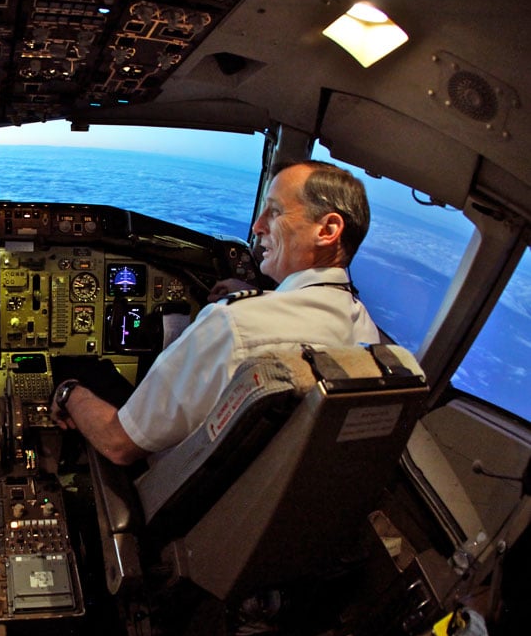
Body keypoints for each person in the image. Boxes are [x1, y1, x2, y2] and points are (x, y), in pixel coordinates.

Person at [50, 160, 379, 465]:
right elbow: (296, 320)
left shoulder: (234, 323)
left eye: (275, 212)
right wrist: (255, 295)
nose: (257, 225)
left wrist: (68, 392)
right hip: (244, 487)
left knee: (79, 367)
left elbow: (119, 444)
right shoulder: (367, 334)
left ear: (327, 230)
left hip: (163, 478)